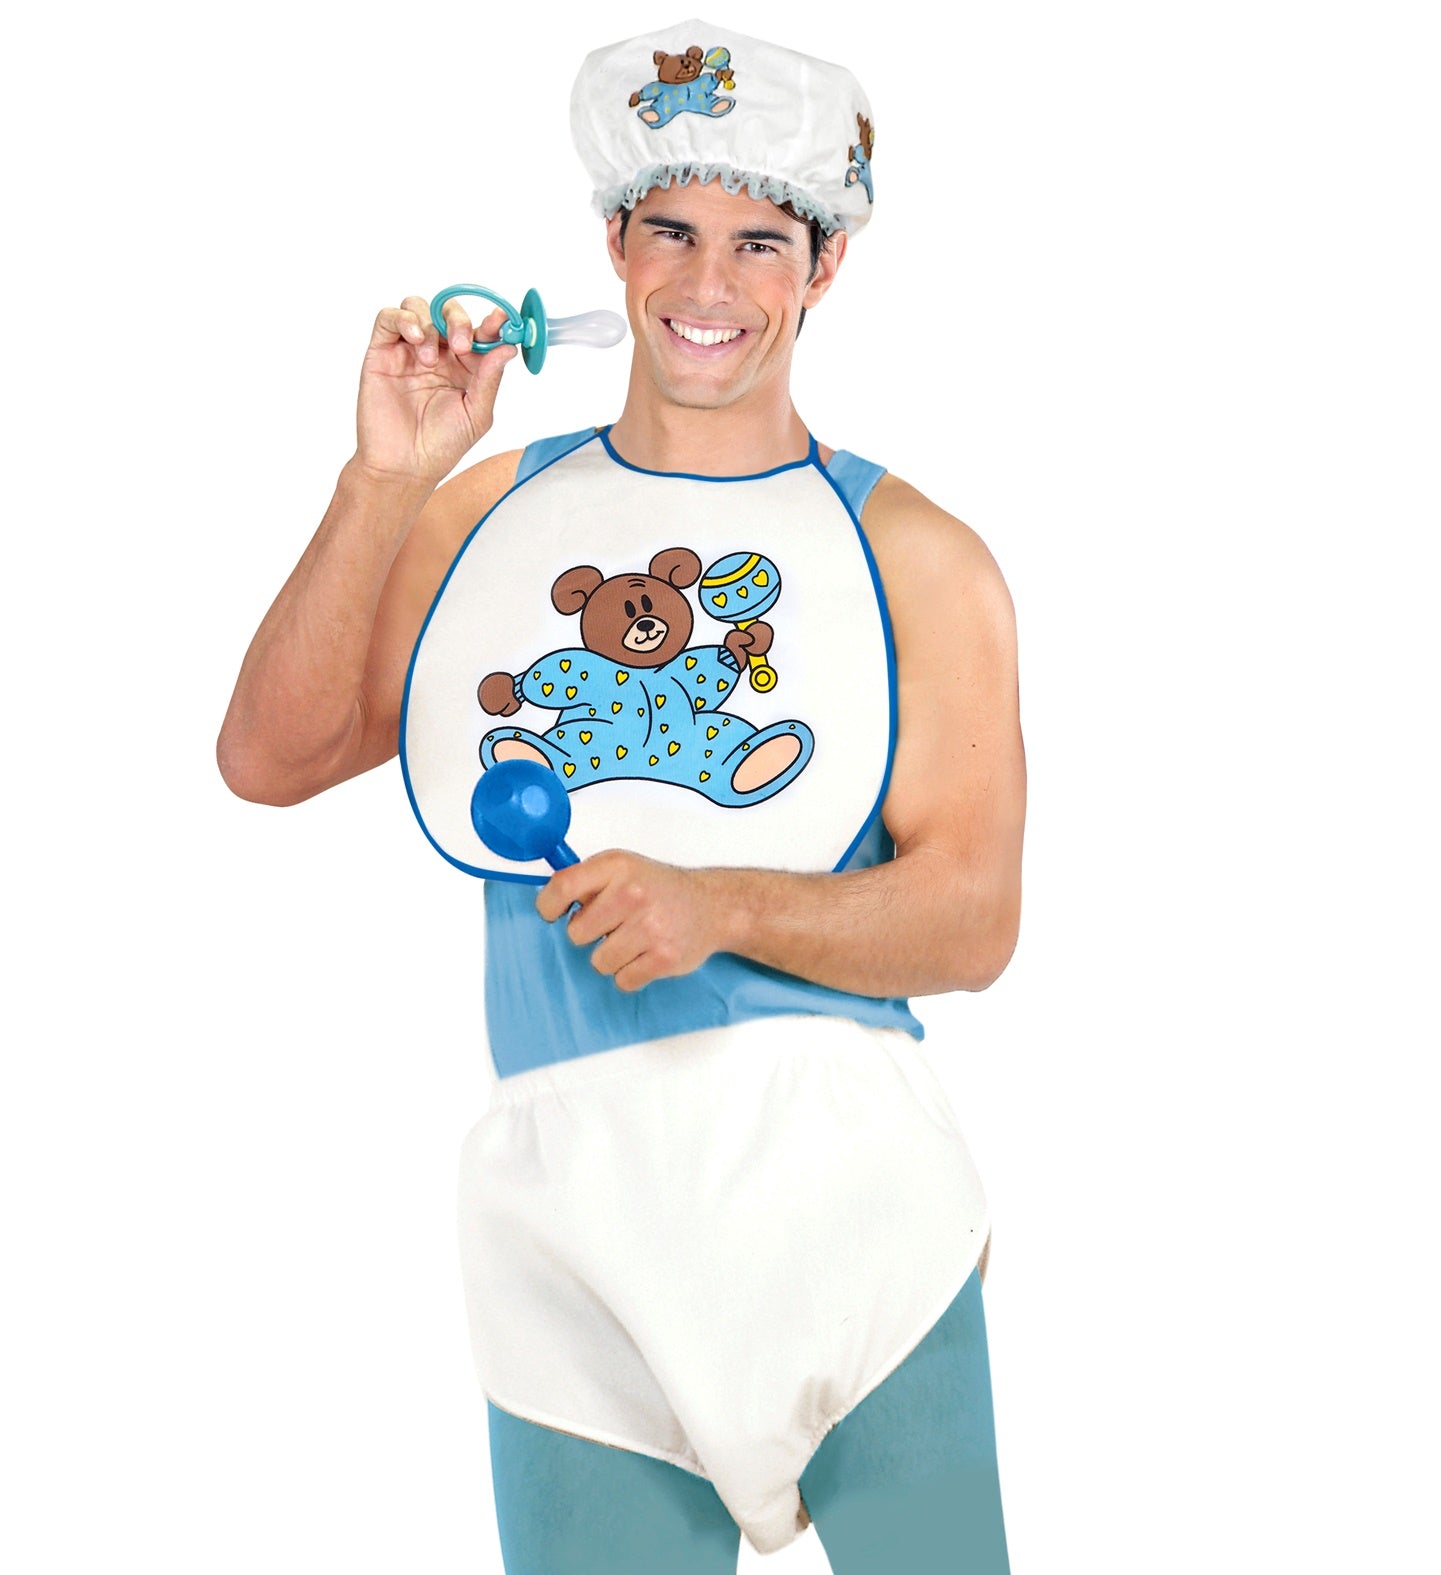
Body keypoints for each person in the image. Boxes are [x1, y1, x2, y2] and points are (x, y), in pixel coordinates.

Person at [218, 19, 1025, 1575]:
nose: (707, 284)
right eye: (670, 233)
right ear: (613, 244)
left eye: (758, 242)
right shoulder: (483, 510)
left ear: (825, 265)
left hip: (842, 1184)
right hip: (565, 1200)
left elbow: (973, 916)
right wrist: (385, 478)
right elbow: (272, 757)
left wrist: (715, 905)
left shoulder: (919, 558)